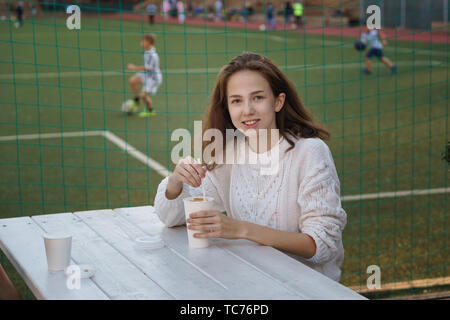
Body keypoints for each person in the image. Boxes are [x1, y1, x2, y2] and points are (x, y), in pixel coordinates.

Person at [154, 52, 347, 282]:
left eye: (257, 98)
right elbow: (171, 218)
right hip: (251, 282)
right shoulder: (229, 153)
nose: (247, 110)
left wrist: (241, 230)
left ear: (278, 101)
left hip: (308, 288)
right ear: (227, 108)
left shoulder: (309, 152)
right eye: (236, 100)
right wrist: (176, 182)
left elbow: (322, 245)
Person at [127, 34, 162, 117]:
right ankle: (136, 101)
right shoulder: (147, 52)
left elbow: (147, 68)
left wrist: (134, 67)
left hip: (153, 78)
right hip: (147, 74)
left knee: (143, 95)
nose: (141, 42)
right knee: (132, 81)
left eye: (143, 41)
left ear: (148, 42)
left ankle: (150, 110)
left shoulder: (152, 55)